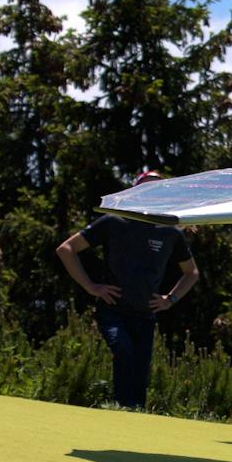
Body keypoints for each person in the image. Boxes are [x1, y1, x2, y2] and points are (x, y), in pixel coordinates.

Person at [56, 172, 201, 409]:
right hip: (112, 311)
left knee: (139, 378)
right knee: (123, 351)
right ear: (134, 192)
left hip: (145, 317)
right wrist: (91, 286)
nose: (150, 193)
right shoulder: (114, 222)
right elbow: (66, 249)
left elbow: (191, 273)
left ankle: (133, 419)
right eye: (145, 189)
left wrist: (170, 299)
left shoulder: (170, 232)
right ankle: (119, 411)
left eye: (157, 189)